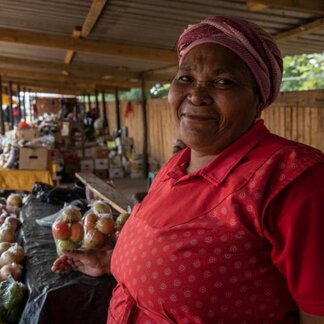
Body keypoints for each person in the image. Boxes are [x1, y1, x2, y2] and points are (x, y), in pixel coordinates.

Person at [52, 15, 324, 323]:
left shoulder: (293, 180)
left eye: (223, 82)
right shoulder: (176, 166)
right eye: (185, 78)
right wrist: (110, 261)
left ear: (258, 99)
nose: (196, 95)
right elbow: (165, 249)